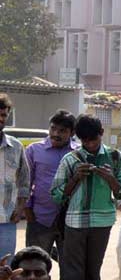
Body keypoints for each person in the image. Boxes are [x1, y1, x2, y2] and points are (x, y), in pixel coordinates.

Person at [51, 114, 121, 280]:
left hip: (102, 223)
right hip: (75, 223)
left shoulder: (115, 157)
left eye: (93, 140)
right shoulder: (71, 159)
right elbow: (56, 195)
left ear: (101, 134)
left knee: (92, 277)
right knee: (74, 277)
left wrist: (110, 179)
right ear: (79, 139)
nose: (90, 145)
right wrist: (75, 179)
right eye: (85, 141)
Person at [25, 109, 78, 260]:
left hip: (70, 220)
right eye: (53, 128)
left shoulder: (79, 153)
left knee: (69, 267)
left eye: (62, 131)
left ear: (72, 133)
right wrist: (27, 210)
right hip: (40, 218)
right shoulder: (34, 150)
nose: (56, 134)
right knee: (36, 263)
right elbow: (25, 182)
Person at [0, 95, 29, 272]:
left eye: (4, 115)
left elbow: (25, 180)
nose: (1, 119)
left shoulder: (16, 147)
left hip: (7, 219)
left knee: (5, 268)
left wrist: (20, 208)